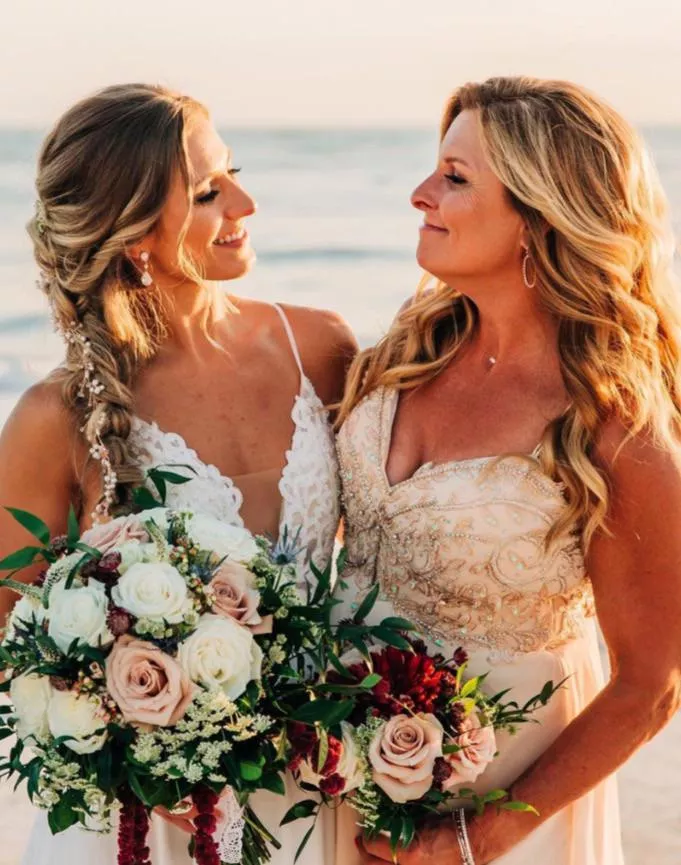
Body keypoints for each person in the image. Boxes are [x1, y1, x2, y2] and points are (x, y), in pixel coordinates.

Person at [0, 83, 356, 865]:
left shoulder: (322, 348)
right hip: (149, 816)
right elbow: (11, 645)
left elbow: (373, 559)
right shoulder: (52, 417)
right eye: (207, 191)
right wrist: (124, 725)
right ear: (134, 237)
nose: (246, 202)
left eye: (232, 173)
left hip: (315, 791)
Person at [334, 76, 681, 864]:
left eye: (455, 179)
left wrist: (473, 838)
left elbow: (650, 684)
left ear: (540, 214)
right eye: (435, 167)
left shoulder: (612, 422)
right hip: (336, 778)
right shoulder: (403, 350)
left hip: (502, 804)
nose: (421, 193)